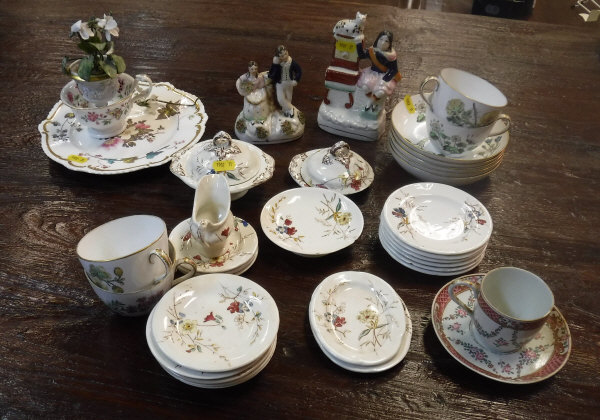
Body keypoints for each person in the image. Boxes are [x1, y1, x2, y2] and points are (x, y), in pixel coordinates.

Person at [356, 31, 401, 111]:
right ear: (377, 40)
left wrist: (386, 79)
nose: (383, 43)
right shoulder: (372, 51)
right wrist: (358, 43)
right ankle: (372, 99)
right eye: (381, 39)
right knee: (365, 87)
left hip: (383, 75)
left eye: (386, 41)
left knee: (380, 91)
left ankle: (371, 101)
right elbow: (361, 55)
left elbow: (394, 69)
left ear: (390, 44)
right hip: (372, 73)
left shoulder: (391, 56)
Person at [268, 45, 302, 118]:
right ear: (279, 57)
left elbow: (299, 71)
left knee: (288, 98)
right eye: (282, 56)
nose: (285, 56)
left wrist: (296, 80)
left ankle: (286, 112)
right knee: (281, 99)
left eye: (286, 54)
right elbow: (271, 74)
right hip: (280, 83)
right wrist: (275, 64)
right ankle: (291, 109)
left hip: (289, 83)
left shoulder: (291, 62)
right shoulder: (277, 64)